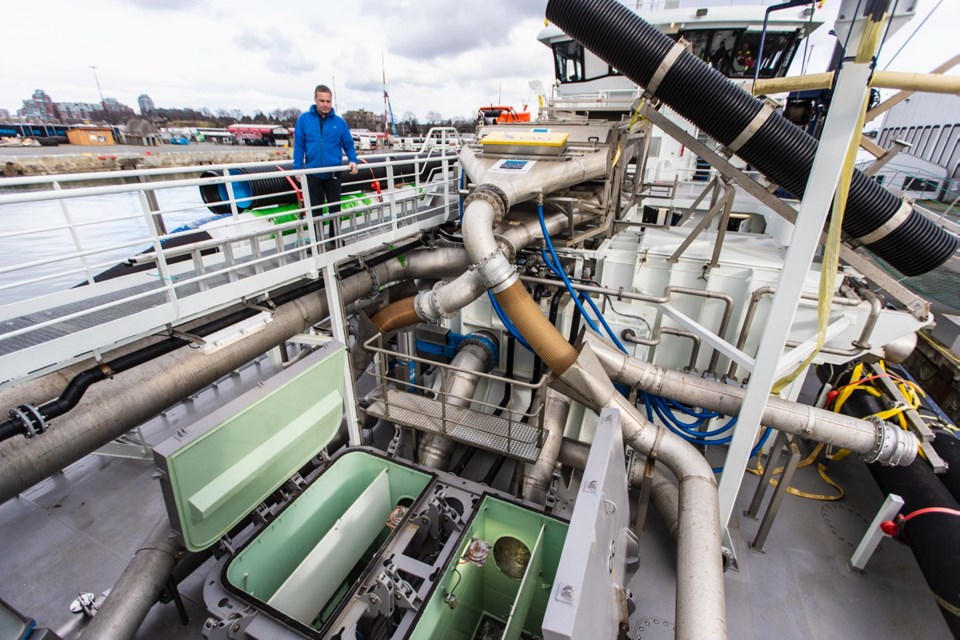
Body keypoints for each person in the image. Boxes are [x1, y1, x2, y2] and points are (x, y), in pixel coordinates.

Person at [292, 84, 358, 236]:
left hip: (333, 173)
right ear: (315, 100)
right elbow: (299, 146)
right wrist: (297, 167)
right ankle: (316, 243)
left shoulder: (339, 123)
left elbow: (348, 144)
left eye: (328, 101)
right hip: (313, 173)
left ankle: (334, 240)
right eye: (322, 101)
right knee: (315, 210)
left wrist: (353, 160)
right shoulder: (304, 120)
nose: (325, 104)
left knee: (335, 209)